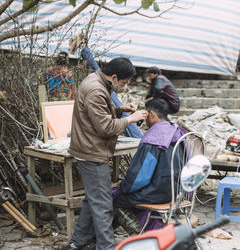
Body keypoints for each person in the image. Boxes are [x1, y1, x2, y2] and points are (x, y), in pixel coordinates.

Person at [64, 58, 148, 250]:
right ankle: (106, 247)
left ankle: (78, 242)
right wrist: (131, 120)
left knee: (92, 199)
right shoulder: (96, 90)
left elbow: (97, 114)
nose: (124, 86)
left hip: (88, 148)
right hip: (91, 152)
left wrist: (119, 110)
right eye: (124, 83)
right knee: (103, 205)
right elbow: (105, 127)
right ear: (115, 77)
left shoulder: (97, 80)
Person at [112, 98, 186, 230]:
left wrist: (122, 186)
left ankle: (139, 235)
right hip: (177, 191)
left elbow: (139, 178)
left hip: (156, 193)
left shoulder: (154, 137)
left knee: (112, 198)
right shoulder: (177, 132)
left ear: (151, 114)